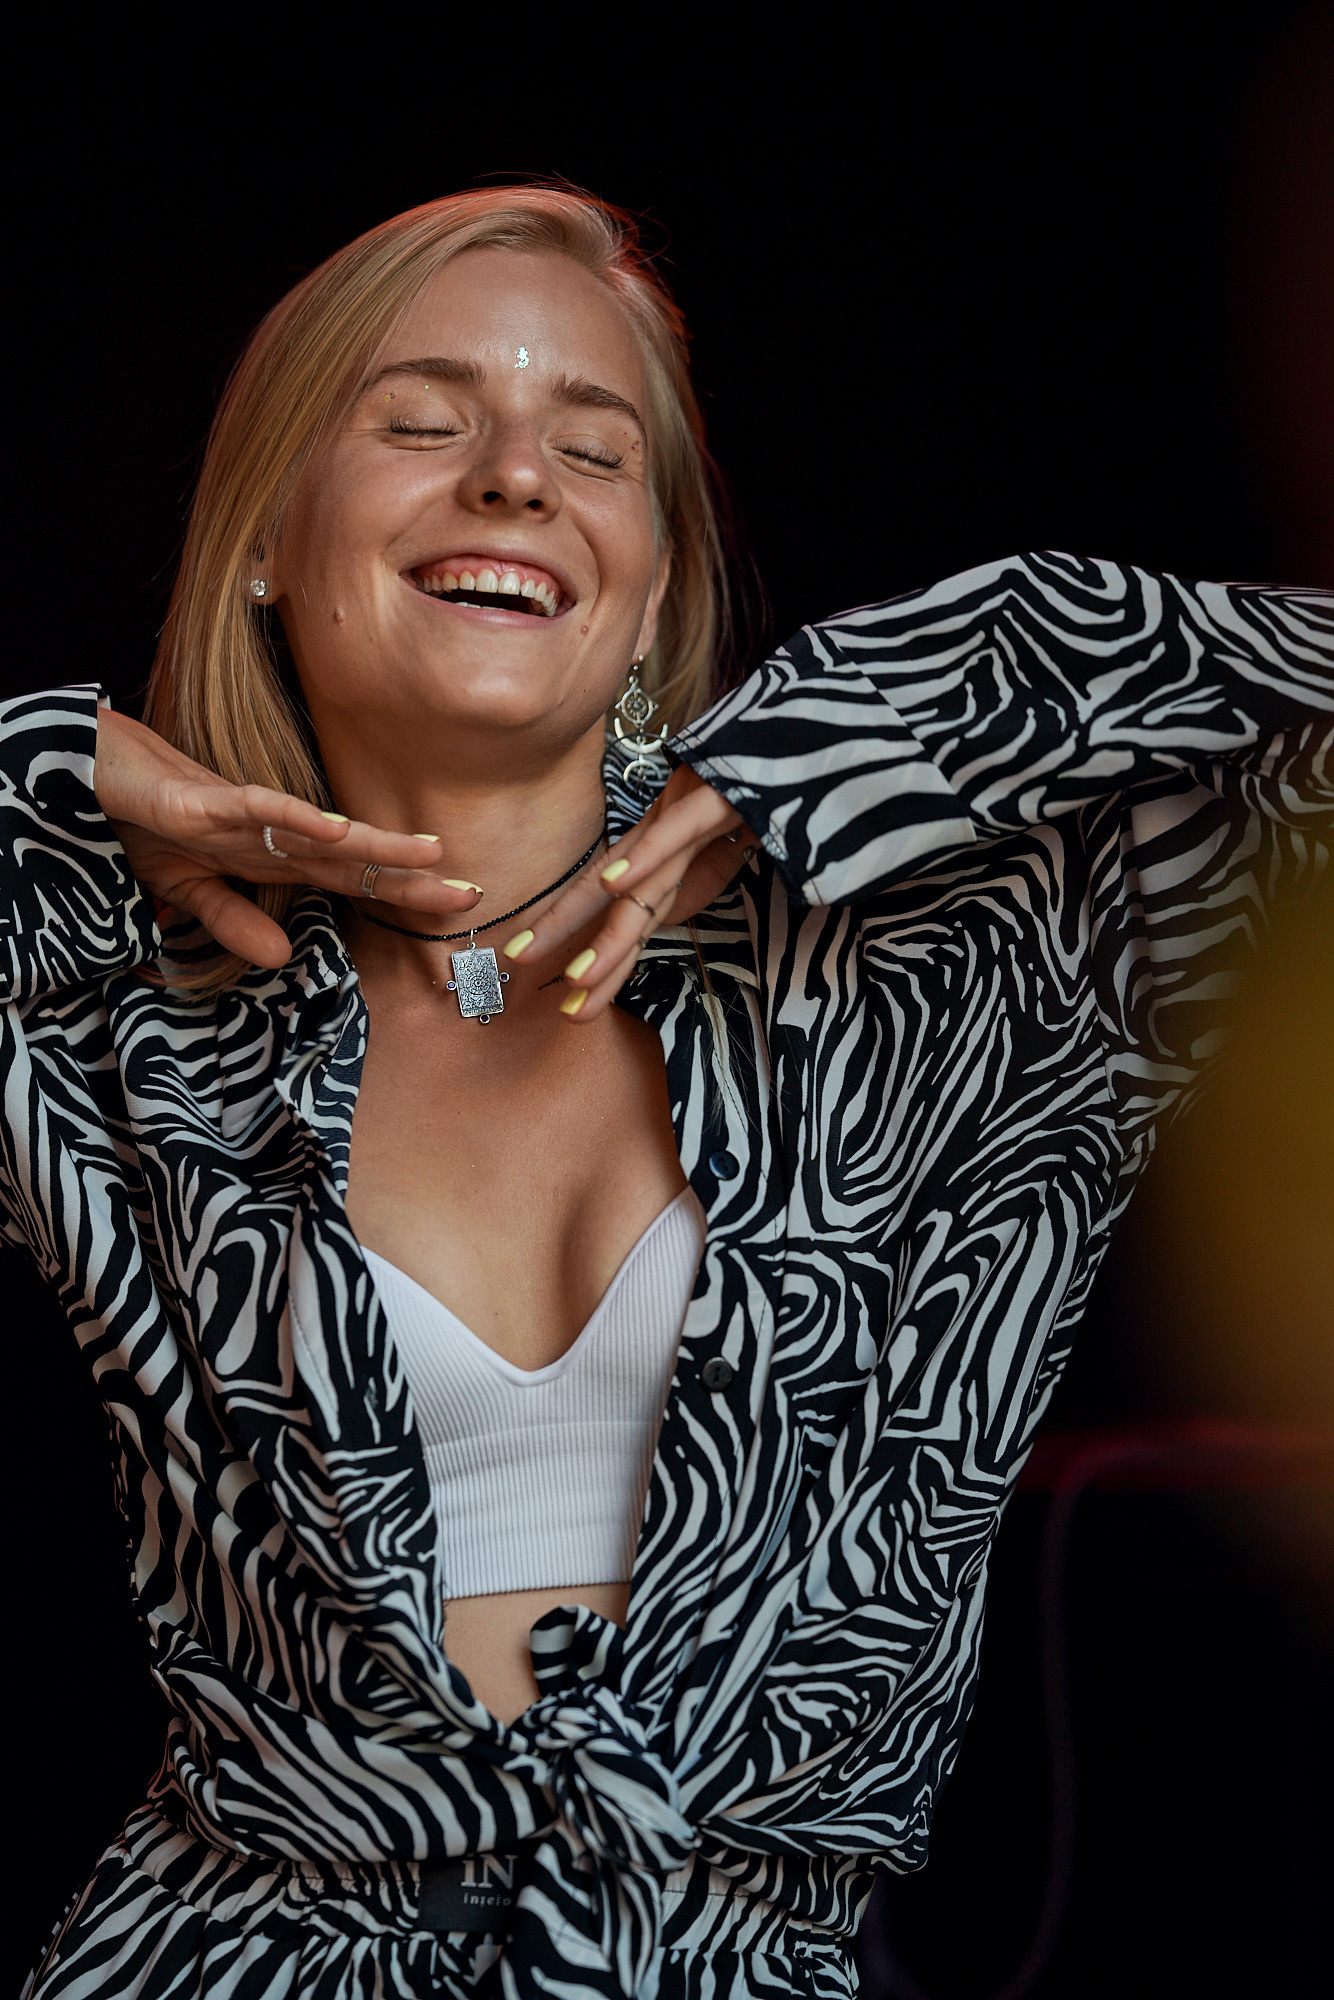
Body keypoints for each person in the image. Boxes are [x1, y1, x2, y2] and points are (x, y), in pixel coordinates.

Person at [8, 184, 1331, 2000]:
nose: (513, 477)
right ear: (266, 538)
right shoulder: (118, 1009)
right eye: (421, 421)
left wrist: (867, 728)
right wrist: (56, 770)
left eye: (593, 447)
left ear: (653, 591)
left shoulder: (969, 955)